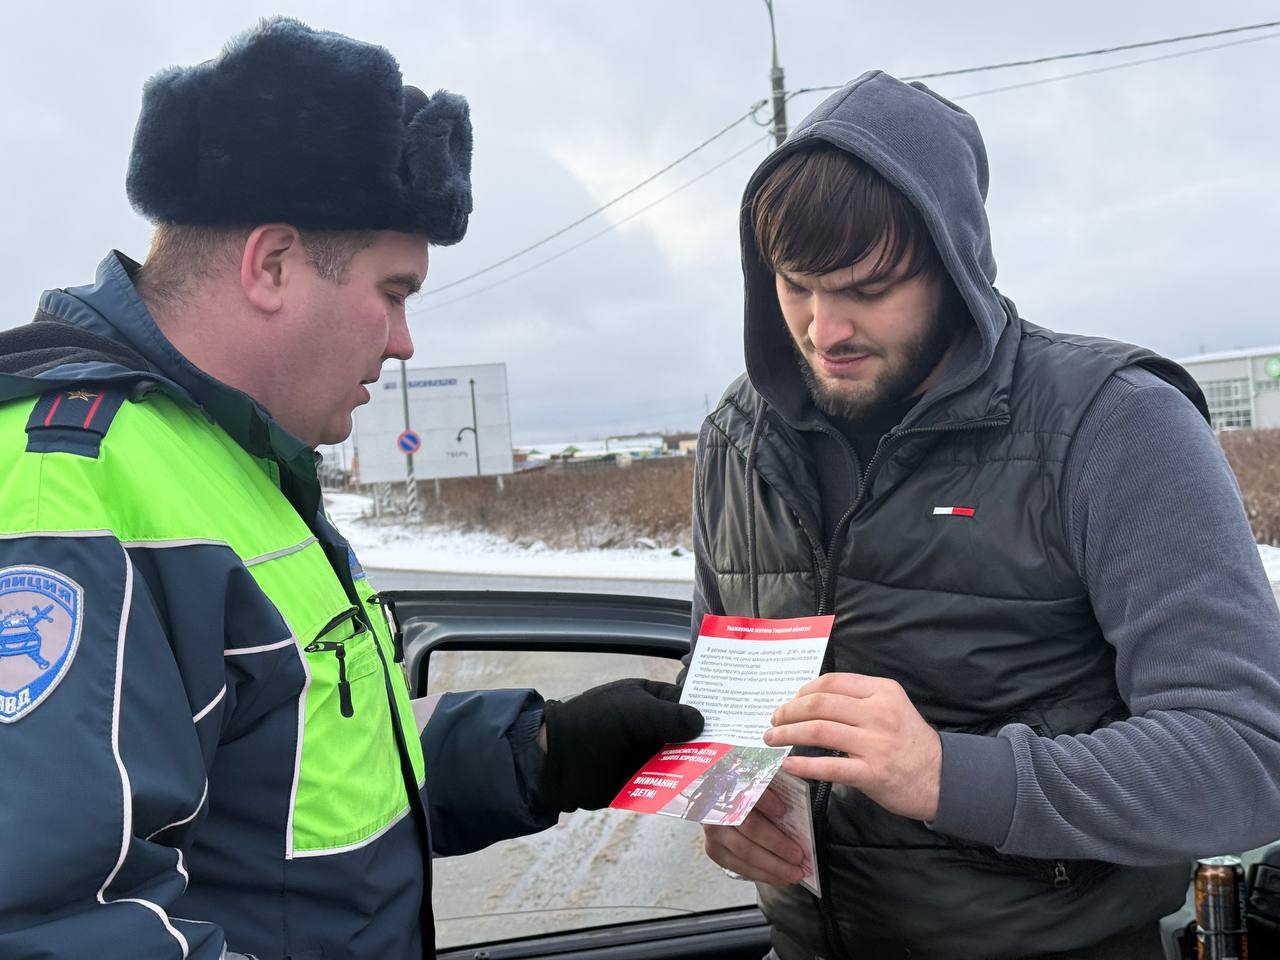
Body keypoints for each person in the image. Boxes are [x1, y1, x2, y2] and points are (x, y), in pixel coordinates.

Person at [0, 19, 702, 960]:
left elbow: (308, 781)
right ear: (273, 265)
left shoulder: (235, 460)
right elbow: (59, 927)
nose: (404, 342)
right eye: (394, 292)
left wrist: (544, 750)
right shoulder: (65, 492)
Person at [692, 70, 1280, 959]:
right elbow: (719, 691)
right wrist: (723, 796)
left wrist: (952, 775)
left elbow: (1246, 757)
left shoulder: (1115, 424)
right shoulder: (739, 439)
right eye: (797, 285)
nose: (824, 330)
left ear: (954, 264)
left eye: (867, 288)